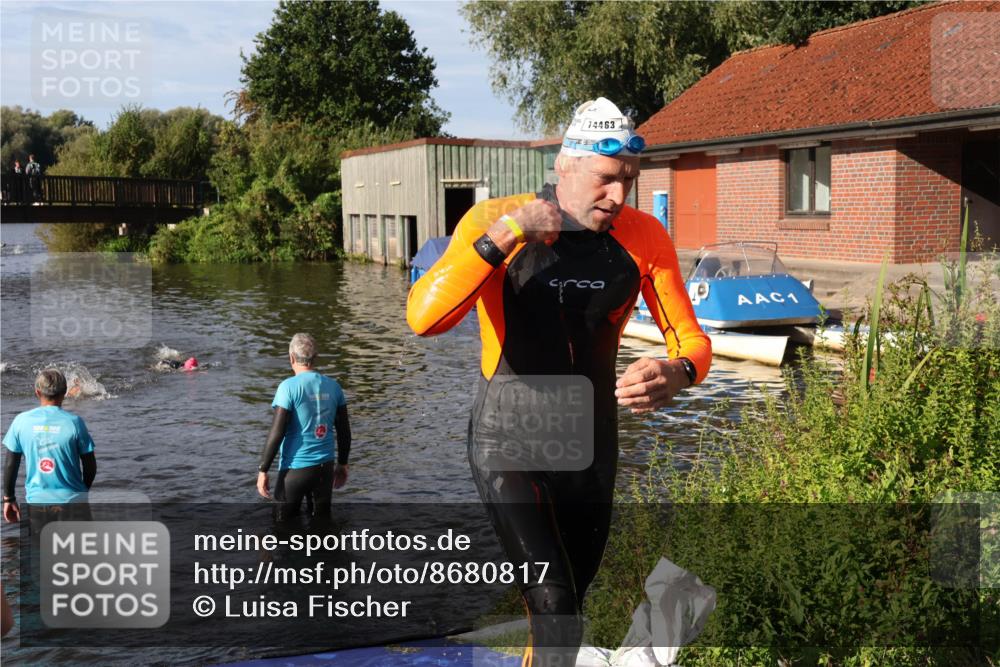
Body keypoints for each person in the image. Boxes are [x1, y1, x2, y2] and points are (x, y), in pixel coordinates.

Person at [407, 98, 712, 666]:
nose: (618, 197)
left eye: (629, 181)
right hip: (508, 441)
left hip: (591, 450)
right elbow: (424, 318)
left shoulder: (643, 236)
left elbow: (692, 342)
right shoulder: (497, 220)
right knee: (554, 603)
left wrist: (677, 372)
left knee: (565, 609)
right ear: (565, 166)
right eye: (606, 180)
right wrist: (507, 235)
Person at [256, 334, 351, 520]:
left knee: (282, 529)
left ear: (291, 357)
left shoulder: (288, 387)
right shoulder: (334, 387)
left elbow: (277, 432)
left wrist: (263, 470)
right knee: (323, 527)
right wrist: (343, 464)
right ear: (315, 358)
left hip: (294, 470)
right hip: (324, 469)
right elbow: (344, 432)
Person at [2, 369, 98, 533]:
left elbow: (11, 464)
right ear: (65, 392)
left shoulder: (21, 421)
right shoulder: (75, 423)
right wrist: (83, 492)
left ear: (37, 392)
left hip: (37, 505)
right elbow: (90, 466)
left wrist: (8, 498)